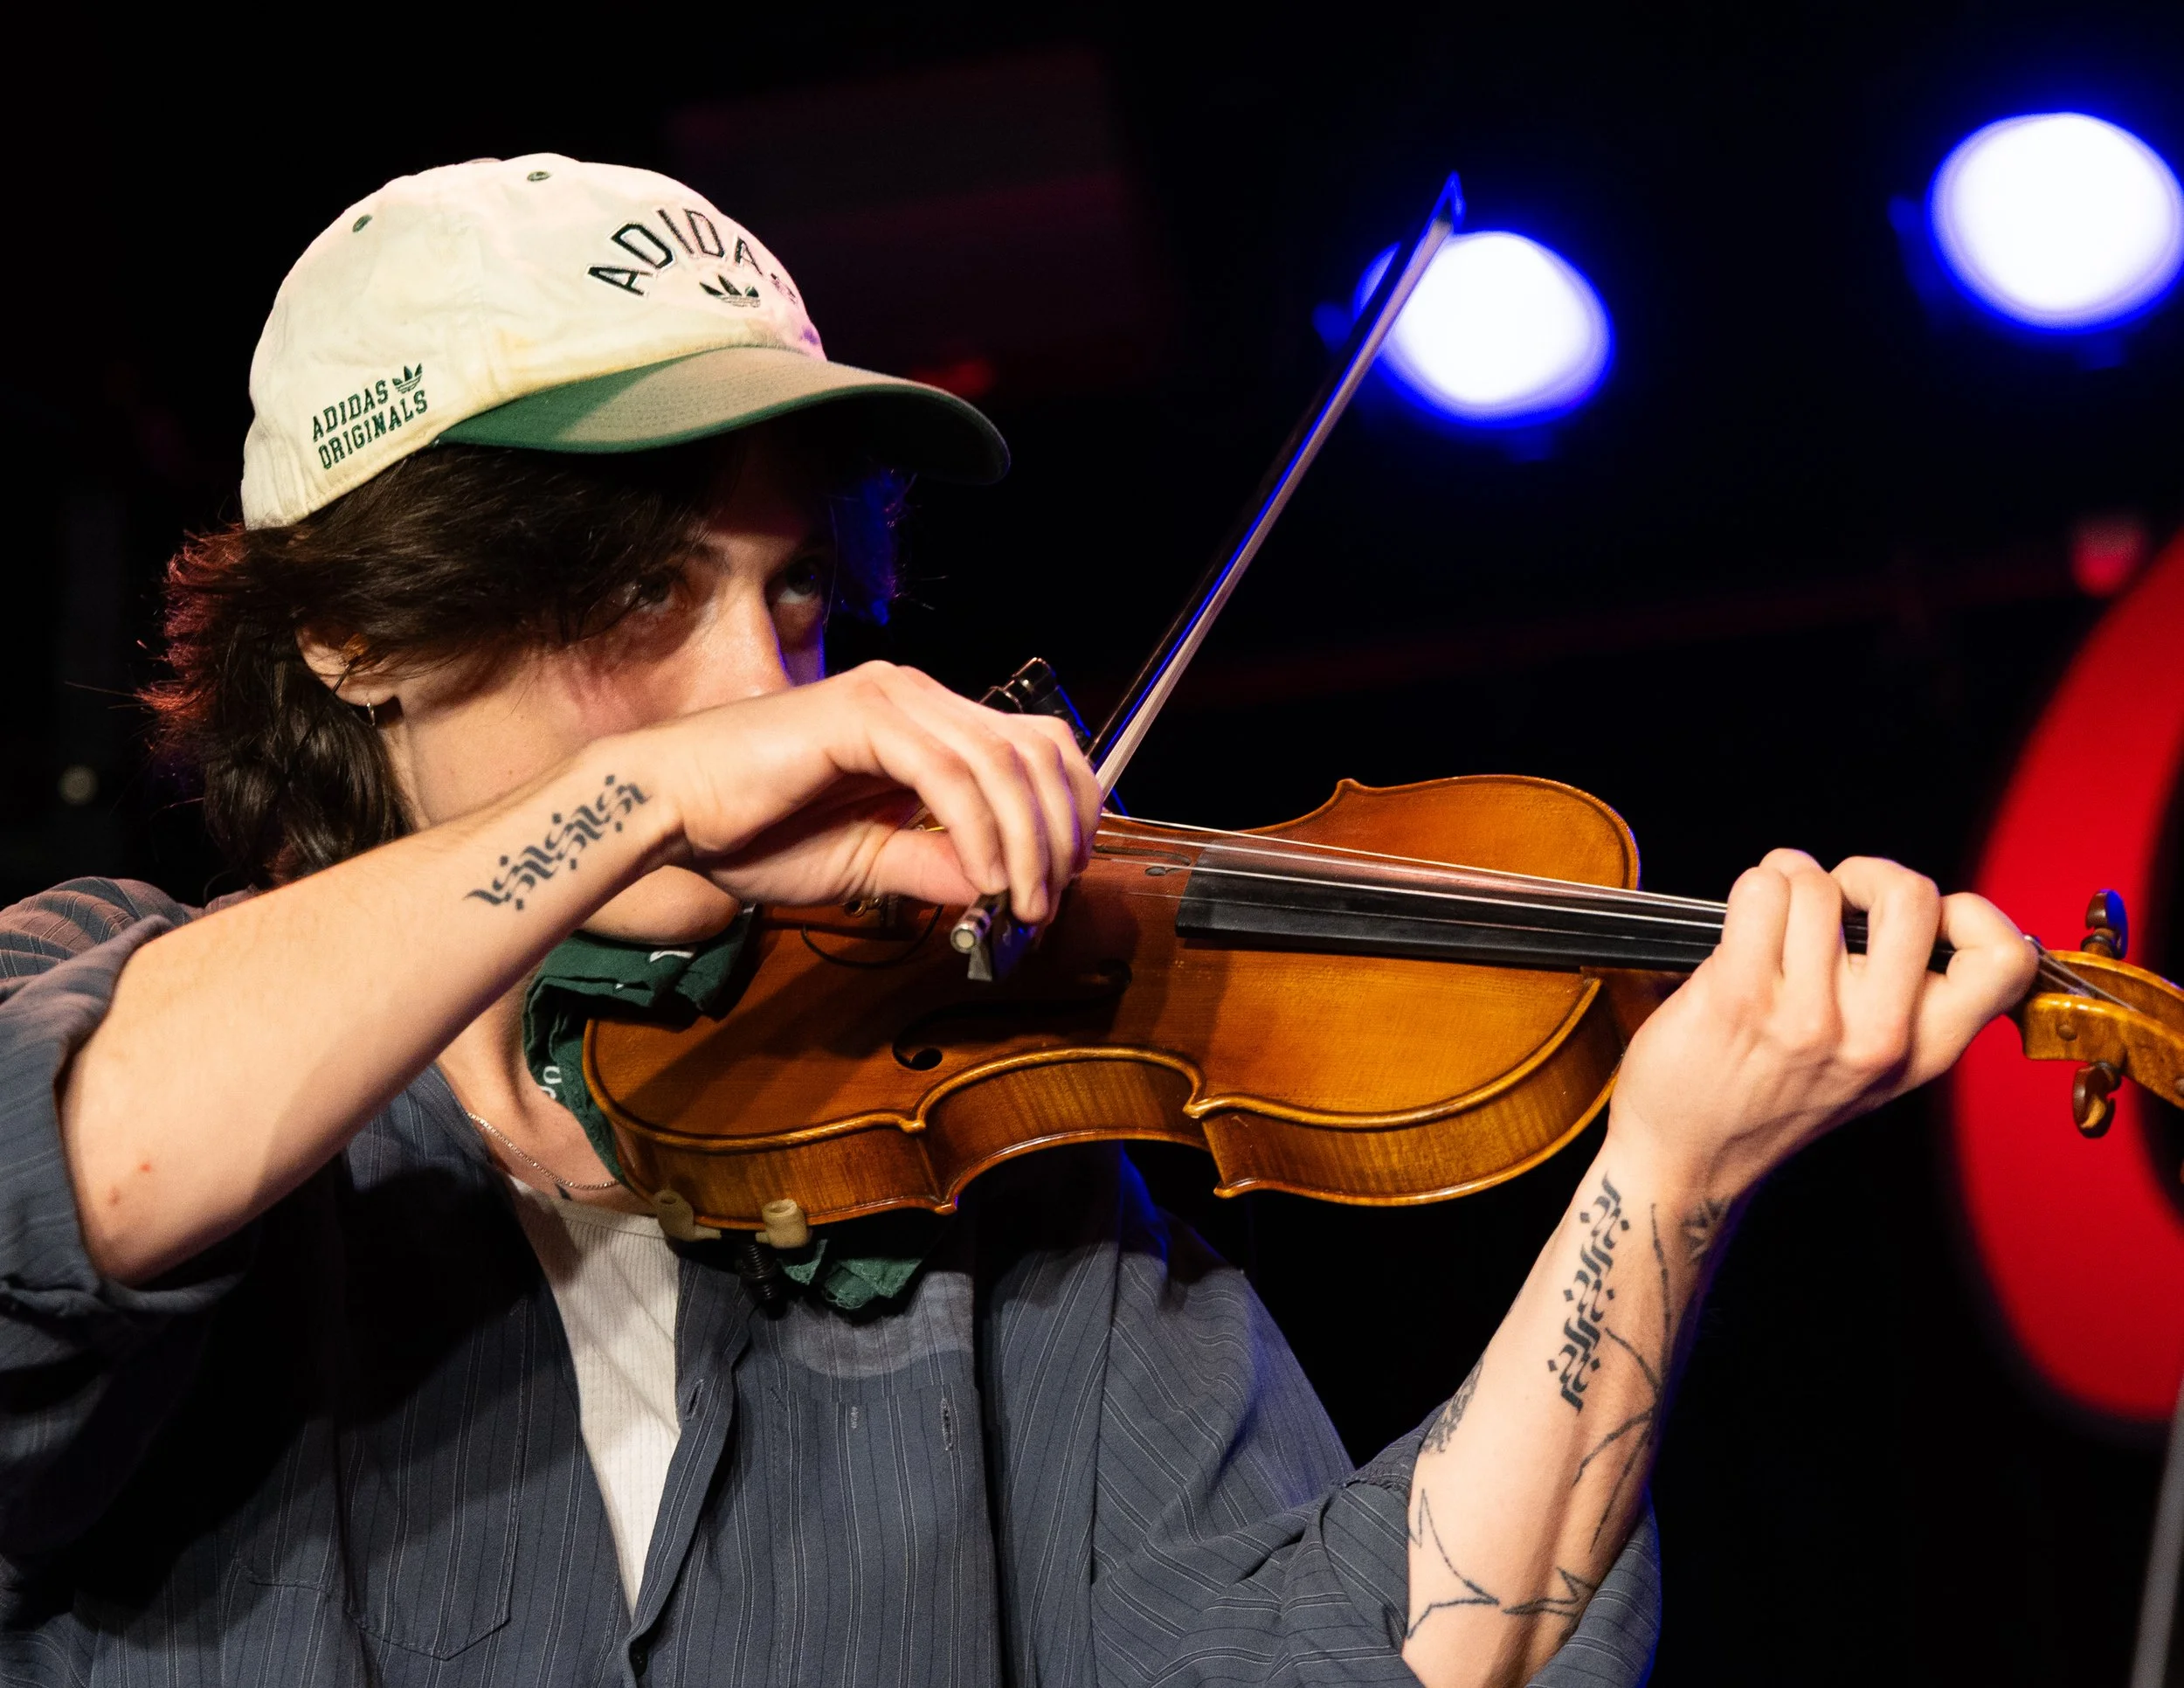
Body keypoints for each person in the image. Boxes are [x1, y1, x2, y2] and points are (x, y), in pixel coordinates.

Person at [0, 156, 2035, 1688]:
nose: (759, 694)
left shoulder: (975, 1176)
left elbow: (1390, 1655)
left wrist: (1661, 1187)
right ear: (350, 631)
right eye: (636, 600)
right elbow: (89, 1176)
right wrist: (629, 797)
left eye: (793, 598)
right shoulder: (95, 992)